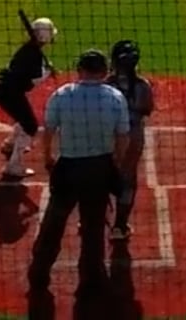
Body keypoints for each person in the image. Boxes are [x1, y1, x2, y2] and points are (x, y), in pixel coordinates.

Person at [25, 48, 130, 300]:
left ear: (79, 69)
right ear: (104, 71)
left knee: (53, 224)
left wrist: (48, 158)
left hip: (69, 168)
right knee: (93, 227)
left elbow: (48, 130)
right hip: (99, 169)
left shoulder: (62, 95)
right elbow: (123, 136)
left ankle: (39, 275)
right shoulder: (115, 98)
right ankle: (92, 279)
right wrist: (115, 163)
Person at [0, 17, 57, 179]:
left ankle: (10, 144)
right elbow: (33, 81)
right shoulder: (33, 54)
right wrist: (48, 72)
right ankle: (13, 166)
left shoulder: (30, 49)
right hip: (10, 93)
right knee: (30, 126)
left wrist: (45, 70)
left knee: (23, 119)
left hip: (6, 91)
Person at [105, 39, 155, 242]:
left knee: (99, 174)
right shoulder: (142, 85)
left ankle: (91, 219)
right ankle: (119, 226)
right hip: (132, 137)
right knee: (127, 179)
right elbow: (147, 110)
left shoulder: (107, 84)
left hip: (107, 135)